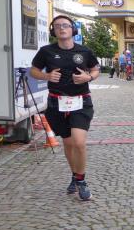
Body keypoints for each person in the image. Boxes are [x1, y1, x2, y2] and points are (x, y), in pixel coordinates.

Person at [29, 15, 100, 201]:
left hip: (81, 102)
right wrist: (46, 76)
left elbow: (96, 69)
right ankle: (75, 176)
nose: (62, 28)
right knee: (68, 144)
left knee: (79, 142)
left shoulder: (84, 51)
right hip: (56, 103)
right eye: (58, 26)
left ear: (72, 29)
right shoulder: (46, 51)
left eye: (66, 25)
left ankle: (81, 181)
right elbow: (33, 70)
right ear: (53, 30)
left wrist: (88, 77)